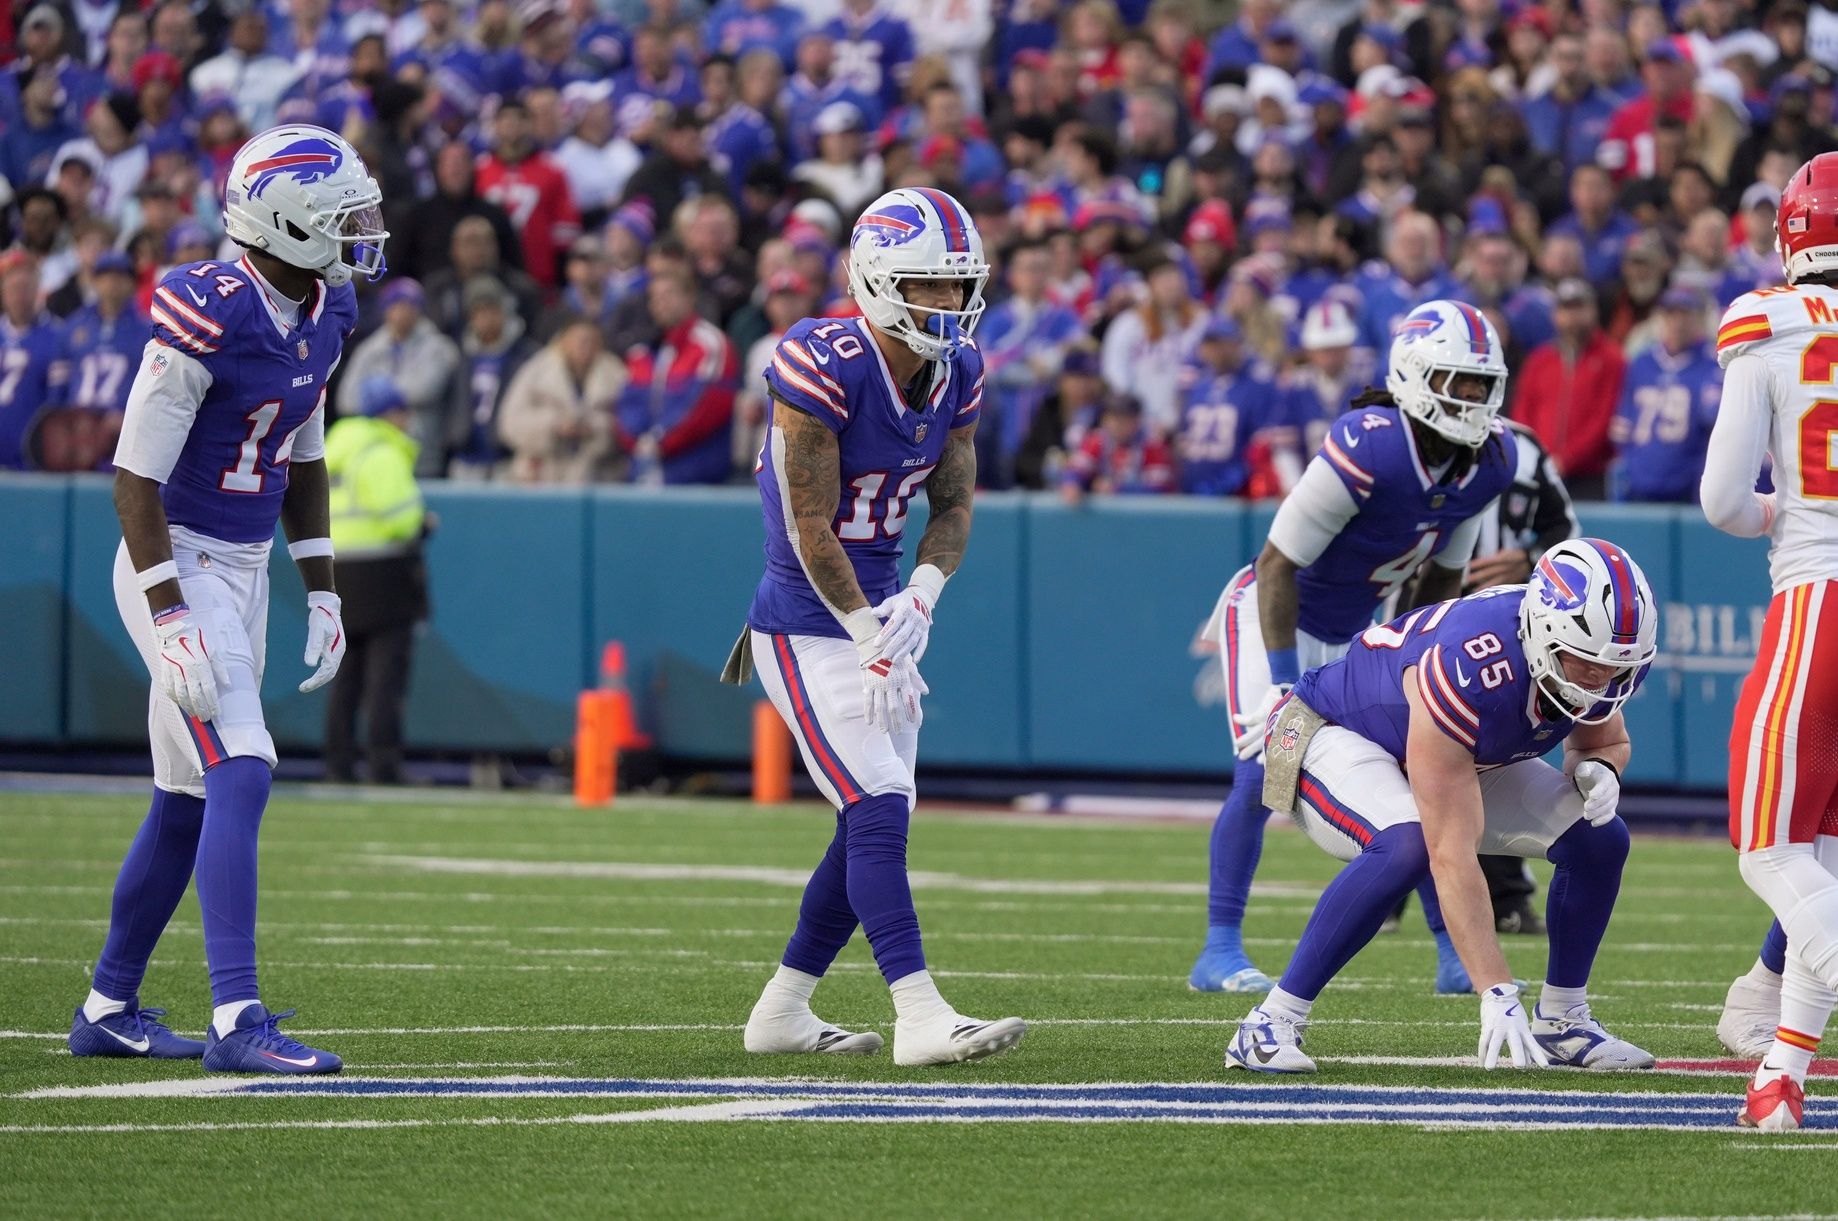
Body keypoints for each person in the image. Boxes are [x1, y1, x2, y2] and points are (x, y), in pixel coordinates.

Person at [66, 124, 386, 1075]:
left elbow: (304, 451)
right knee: (242, 763)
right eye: (341, 214)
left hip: (242, 565)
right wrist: (168, 615)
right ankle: (236, 1015)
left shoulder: (327, 309)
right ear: (285, 220)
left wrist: (321, 589)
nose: (361, 228)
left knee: (183, 800)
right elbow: (134, 480)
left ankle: (108, 1004)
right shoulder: (210, 309)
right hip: (175, 558)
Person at [719, 187, 1025, 1066]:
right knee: (879, 802)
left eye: (959, 284)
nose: (951, 305)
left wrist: (922, 592)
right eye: (931, 285)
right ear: (881, 280)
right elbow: (809, 519)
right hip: (804, 625)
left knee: (868, 819)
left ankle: (782, 1009)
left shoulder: (958, 369)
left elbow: (956, 499)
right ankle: (920, 1013)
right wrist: (863, 628)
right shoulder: (821, 357)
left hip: (886, 613)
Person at [1227, 539, 1659, 1074]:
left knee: (1600, 836)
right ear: (1546, 636)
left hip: (1448, 750)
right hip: (1326, 730)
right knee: (1406, 844)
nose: (1598, 678)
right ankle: (1270, 1022)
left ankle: (1564, 1021)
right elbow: (1449, 853)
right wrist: (1495, 990)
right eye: (1585, 661)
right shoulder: (1471, 664)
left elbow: (1601, 739)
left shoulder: (1590, 656)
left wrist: (1602, 769)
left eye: (1612, 666)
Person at [1189, 301, 1519, 996]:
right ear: (1416, 375)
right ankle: (1219, 948)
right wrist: (1284, 686)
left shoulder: (1489, 461)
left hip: (1355, 633)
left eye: (1480, 384)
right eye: (1457, 382)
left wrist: (1422, 664)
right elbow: (1278, 564)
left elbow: (1442, 576)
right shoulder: (1369, 443)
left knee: (1417, 770)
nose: (1472, 399)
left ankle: (1452, 951)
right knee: (1264, 772)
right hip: (1276, 616)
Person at [1701, 152, 1838, 1131]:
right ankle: (1779, 1076)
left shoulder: (1767, 320)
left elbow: (1716, 500)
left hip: (1816, 599)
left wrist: (1772, 515)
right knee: (1823, 853)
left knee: (1769, 850)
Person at [323, 376, 429, 785]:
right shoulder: (381, 451)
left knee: (345, 675)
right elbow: (402, 518)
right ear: (391, 413)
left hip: (338, 570)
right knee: (385, 678)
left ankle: (338, 762)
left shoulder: (337, 446)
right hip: (383, 574)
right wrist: (424, 523)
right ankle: (384, 763)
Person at [1609, 286, 1724, 503]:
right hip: (1640, 482)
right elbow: (1622, 428)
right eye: (1671, 314)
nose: (1678, 322)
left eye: (1686, 314)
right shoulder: (1642, 363)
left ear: (1700, 318)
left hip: (1689, 486)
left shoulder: (1713, 364)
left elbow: (1714, 423)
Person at [0, 252, 66, 471]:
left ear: (37, 290)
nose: (19, 296)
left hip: (29, 458)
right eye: (13, 289)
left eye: (25, 288)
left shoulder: (57, 336)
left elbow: (57, 404)